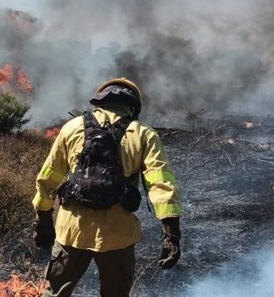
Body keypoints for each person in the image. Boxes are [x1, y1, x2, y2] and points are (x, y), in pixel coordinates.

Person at [32, 77, 182, 297]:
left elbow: (47, 180)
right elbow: (161, 184)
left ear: (100, 100)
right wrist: (172, 234)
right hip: (118, 235)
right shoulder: (144, 134)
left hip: (72, 230)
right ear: (133, 105)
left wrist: (43, 222)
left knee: (54, 294)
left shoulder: (71, 128)